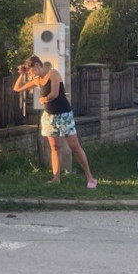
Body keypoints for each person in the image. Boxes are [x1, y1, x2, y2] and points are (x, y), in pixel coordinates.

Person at [13, 55, 97, 188]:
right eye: (28, 72)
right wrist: (22, 75)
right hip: (49, 117)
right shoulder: (37, 80)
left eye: (30, 71)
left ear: (37, 65)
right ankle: (56, 178)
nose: (30, 74)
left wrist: (44, 99)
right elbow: (17, 88)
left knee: (74, 146)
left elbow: (54, 94)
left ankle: (90, 177)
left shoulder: (53, 73)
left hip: (64, 115)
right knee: (55, 147)